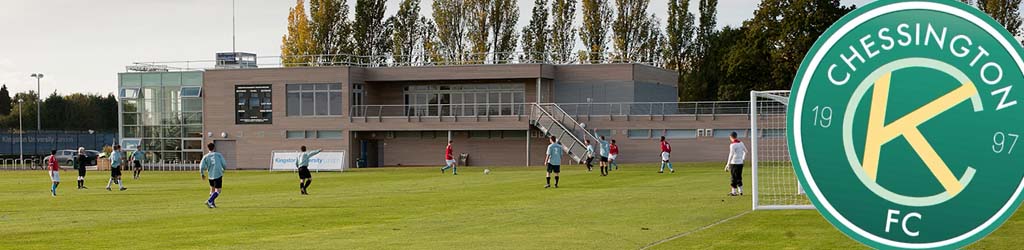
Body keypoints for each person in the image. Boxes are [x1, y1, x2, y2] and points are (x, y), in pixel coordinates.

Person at [200, 143, 227, 208]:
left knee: (212, 189)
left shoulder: (206, 156)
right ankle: (209, 201)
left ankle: (212, 204)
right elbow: (224, 163)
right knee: (218, 191)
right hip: (218, 174)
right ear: (214, 148)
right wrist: (223, 169)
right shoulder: (218, 155)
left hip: (210, 175)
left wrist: (202, 174)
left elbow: (201, 166)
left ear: (208, 148)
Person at [725, 132, 748, 196]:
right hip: (740, 163)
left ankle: (734, 192)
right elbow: (746, 151)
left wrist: (727, 164)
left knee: (733, 177)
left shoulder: (733, 145)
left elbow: (731, 154)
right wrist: (743, 159)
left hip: (734, 163)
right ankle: (740, 191)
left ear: (730, 137)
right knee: (739, 176)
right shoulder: (741, 143)